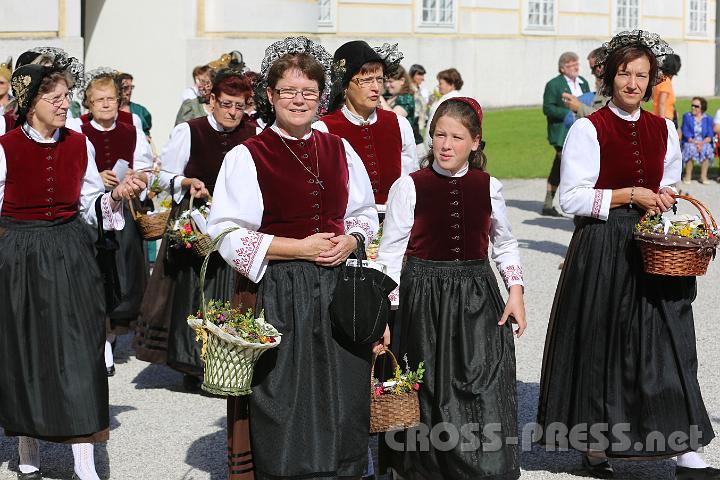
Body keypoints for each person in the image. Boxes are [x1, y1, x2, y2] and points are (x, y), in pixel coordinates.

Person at [537, 30, 720, 480]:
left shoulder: (665, 129)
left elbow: (670, 185)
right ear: (610, 77)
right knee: (604, 342)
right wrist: (628, 194)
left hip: (654, 245)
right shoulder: (588, 128)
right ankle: (597, 448)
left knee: (673, 340)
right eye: (625, 74)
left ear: (651, 79)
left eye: (641, 75)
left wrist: (663, 197)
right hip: (604, 247)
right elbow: (572, 200)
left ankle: (684, 449)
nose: (633, 83)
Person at [207, 36, 378, 479]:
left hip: (339, 289)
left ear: (321, 97)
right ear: (270, 95)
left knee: (344, 390)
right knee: (286, 395)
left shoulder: (340, 148)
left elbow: (363, 214)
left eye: (308, 91)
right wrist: (299, 248)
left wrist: (351, 241)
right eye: (288, 91)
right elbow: (225, 232)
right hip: (280, 290)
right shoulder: (249, 155)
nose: (298, 100)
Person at [0, 52, 144, 480]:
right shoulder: (5, 148)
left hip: (71, 251)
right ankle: (27, 440)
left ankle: (85, 460)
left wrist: (116, 197)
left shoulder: (78, 142)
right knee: (26, 350)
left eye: (67, 97)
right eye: (56, 98)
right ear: (31, 103)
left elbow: (88, 206)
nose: (65, 105)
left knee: (82, 352)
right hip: (19, 254)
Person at [376, 97, 526, 479]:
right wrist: (387, 313)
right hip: (423, 295)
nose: (446, 145)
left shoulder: (488, 186)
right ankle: (428, 469)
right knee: (427, 385)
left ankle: (485, 467)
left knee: (484, 381)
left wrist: (516, 291)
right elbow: (390, 254)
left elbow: (504, 242)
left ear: (475, 142)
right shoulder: (409, 187)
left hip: (478, 293)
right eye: (439, 135)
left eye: (457, 137)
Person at [133, 69, 258, 391]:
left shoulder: (254, 131)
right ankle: (194, 362)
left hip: (236, 221)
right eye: (227, 104)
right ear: (212, 101)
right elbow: (160, 177)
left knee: (231, 291)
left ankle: (229, 359)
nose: (233, 112)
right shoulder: (190, 131)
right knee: (196, 292)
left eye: (239, 105)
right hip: (195, 222)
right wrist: (185, 182)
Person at [81, 67, 154, 376]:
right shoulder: (77, 128)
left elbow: (146, 168)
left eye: (111, 98)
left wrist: (137, 177)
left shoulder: (132, 126)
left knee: (121, 274)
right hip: (92, 217)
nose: (107, 105)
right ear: (89, 103)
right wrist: (97, 177)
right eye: (99, 100)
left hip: (123, 213)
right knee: (96, 273)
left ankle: (111, 335)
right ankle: (100, 338)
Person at [314, 40, 417, 216]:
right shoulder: (323, 130)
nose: (376, 88)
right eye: (367, 80)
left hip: (394, 222)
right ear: (345, 85)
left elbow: (411, 179)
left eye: (379, 79)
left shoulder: (399, 124)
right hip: (345, 225)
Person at [541, 52, 590, 217]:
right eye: (571, 65)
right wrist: (570, 112)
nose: (576, 67)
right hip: (562, 132)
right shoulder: (554, 84)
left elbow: (588, 102)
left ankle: (549, 203)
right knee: (569, 165)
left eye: (577, 64)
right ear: (562, 68)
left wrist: (581, 111)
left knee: (559, 165)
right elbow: (547, 108)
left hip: (581, 130)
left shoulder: (583, 82)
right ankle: (575, 206)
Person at [561, 47, 611, 120]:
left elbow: (606, 119)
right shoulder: (605, 86)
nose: (592, 73)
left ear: (601, 66)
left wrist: (579, 107)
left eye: (593, 68)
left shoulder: (614, 87)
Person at [424, 68, 464, 147]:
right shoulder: (453, 98)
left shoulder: (449, 101)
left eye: (440, 83)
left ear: (451, 84)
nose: (438, 86)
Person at [384, 65, 422, 144]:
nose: (387, 85)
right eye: (386, 81)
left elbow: (393, 119)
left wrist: (379, 97)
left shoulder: (407, 98)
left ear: (402, 80)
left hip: (409, 149)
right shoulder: (390, 96)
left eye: (390, 81)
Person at [681, 96, 714, 184]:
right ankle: (688, 175)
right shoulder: (687, 116)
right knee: (690, 148)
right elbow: (685, 132)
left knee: (707, 148)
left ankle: (703, 176)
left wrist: (701, 143)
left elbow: (710, 135)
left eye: (696, 106)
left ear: (702, 107)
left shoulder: (708, 118)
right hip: (690, 141)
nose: (693, 107)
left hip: (703, 142)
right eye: (692, 105)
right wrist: (696, 143)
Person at [117, 72, 152, 138]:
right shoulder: (110, 109)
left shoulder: (140, 110)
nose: (129, 91)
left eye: (131, 87)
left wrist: (146, 136)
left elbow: (146, 130)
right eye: (126, 87)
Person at [652, 53, 681, 126]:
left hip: (662, 118)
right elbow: (662, 103)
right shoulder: (666, 82)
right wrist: (662, 123)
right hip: (665, 120)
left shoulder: (661, 80)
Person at [409, 64, 429, 137]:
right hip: (412, 125)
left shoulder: (419, 90)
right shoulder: (408, 89)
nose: (422, 78)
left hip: (420, 126)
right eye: (420, 74)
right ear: (412, 74)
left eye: (423, 75)